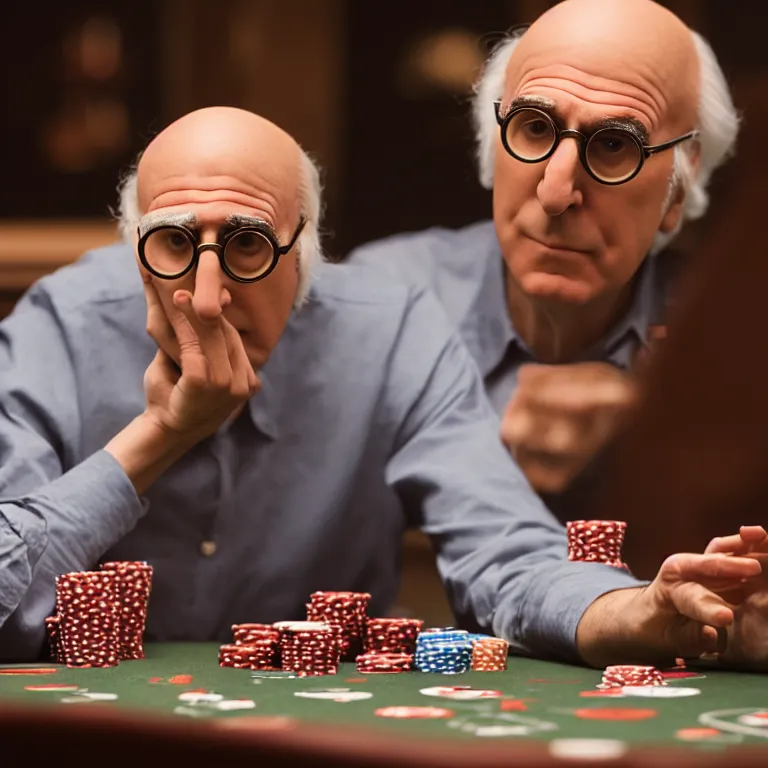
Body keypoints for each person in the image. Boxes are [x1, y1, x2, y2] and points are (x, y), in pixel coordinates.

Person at [0, 106, 762, 671]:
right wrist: (159, 436)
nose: (207, 297)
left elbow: (507, 557)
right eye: (173, 243)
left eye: (248, 245)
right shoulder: (57, 328)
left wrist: (642, 611)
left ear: (307, 252)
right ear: (134, 251)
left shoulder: (390, 330)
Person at [348, 0, 740, 519]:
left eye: (615, 144)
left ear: (678, 185)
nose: (556, 193)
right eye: (534, 127)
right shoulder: (377, 303)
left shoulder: (734, 340)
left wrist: (659, 443)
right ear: (493, 143)